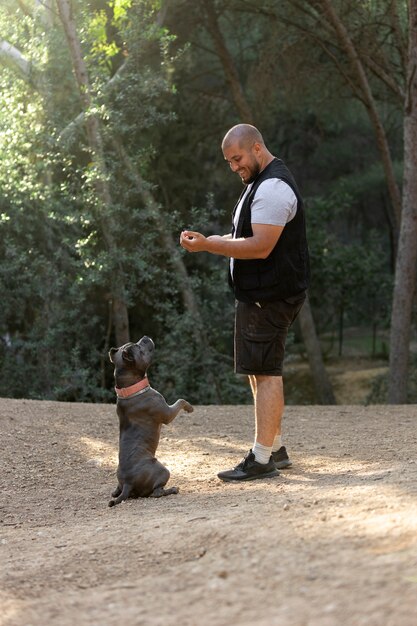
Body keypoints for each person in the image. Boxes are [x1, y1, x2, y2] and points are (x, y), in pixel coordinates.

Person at [180, 124, 310, 482]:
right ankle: (276, 448)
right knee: (259, 370)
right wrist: (208, 240)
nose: (234, 166)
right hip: (259, 296)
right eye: (228, 162)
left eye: (237, 159)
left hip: (271, 297)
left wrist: (209, 245)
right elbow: (243, 237)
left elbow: (260, 247)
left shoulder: (272, 187)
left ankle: (262, 458)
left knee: (267, 373)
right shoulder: (257, 184)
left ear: (256, 148)